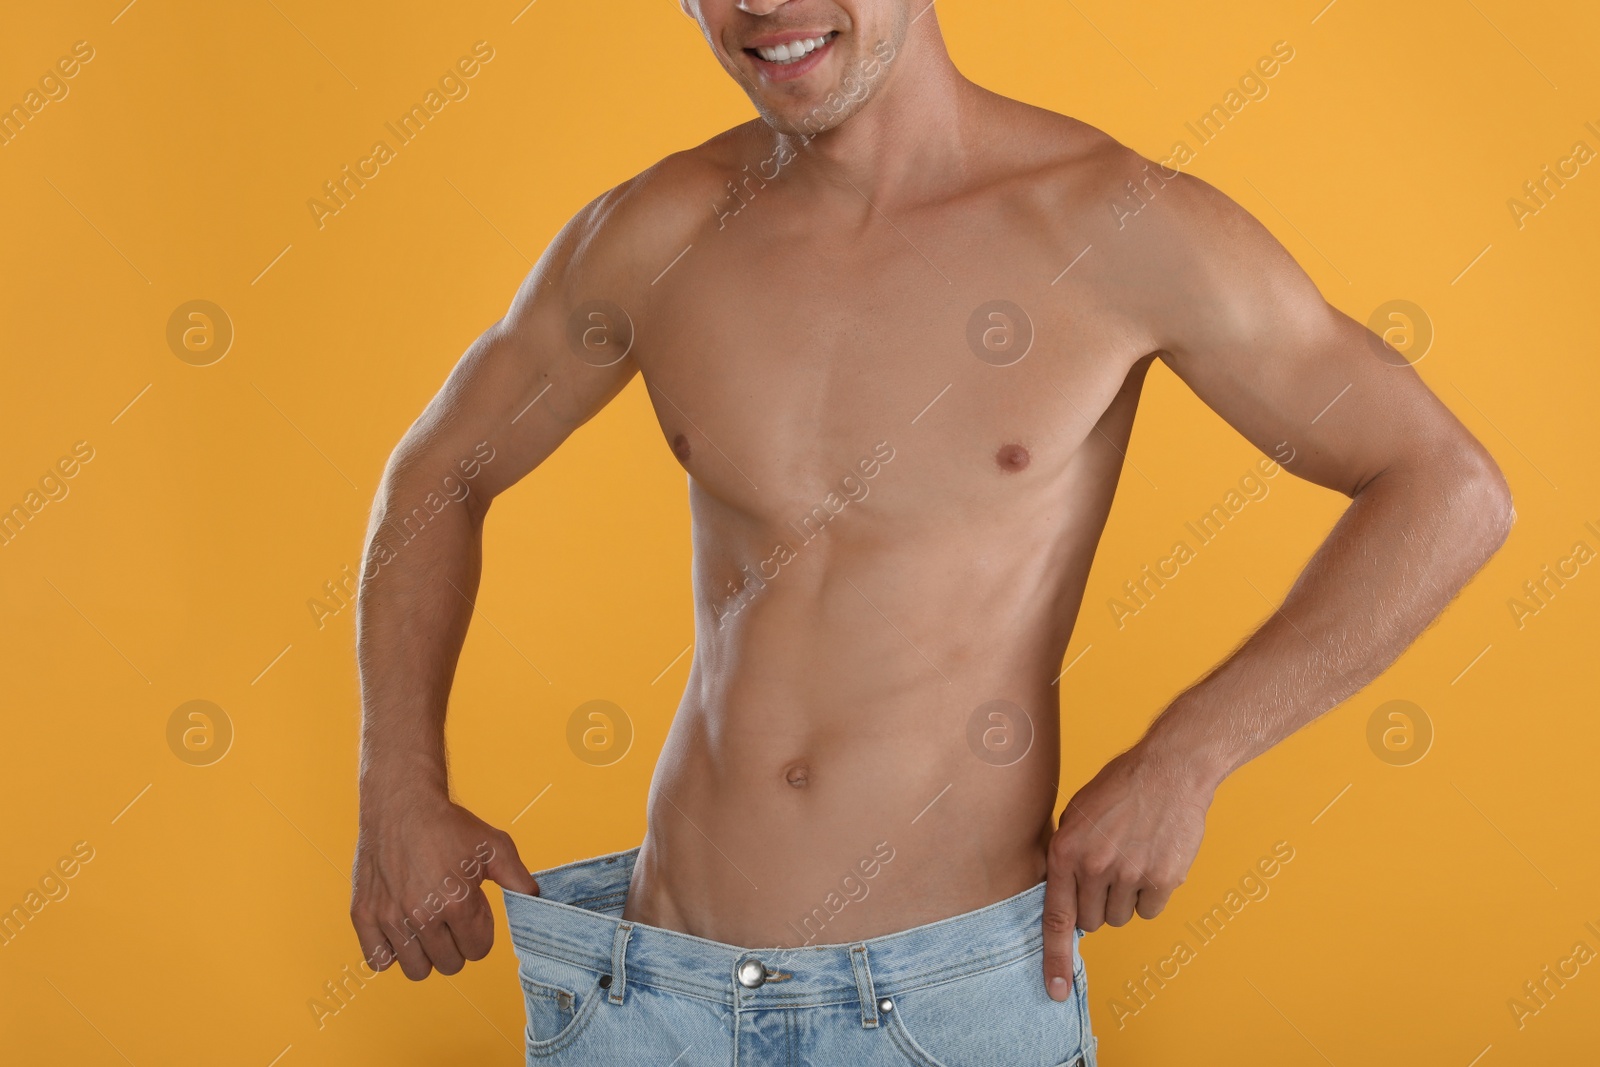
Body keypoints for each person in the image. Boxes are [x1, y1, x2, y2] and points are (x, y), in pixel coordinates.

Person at [348, 1, 1514, 1063]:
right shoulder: (660, 228)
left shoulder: (1109, 224)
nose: (762, 5)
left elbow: (1445, 486)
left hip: (943, 1008)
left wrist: (1187, 756)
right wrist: (397, 785)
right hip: (650, 995)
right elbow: (439, 472)